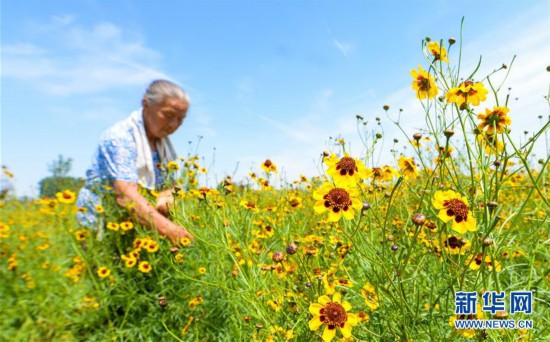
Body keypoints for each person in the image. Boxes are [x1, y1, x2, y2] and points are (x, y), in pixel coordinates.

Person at [76, 80, 193, 244]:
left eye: (180, 119)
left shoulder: (162, 145)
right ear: (146, 105)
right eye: (168, 115)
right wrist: (172, 232)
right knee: (99, 266)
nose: (174, 125)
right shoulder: (120, 137)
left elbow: (170, 184)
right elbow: (126, 196)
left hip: (136, 223)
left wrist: (168, 196)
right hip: (103, 221)